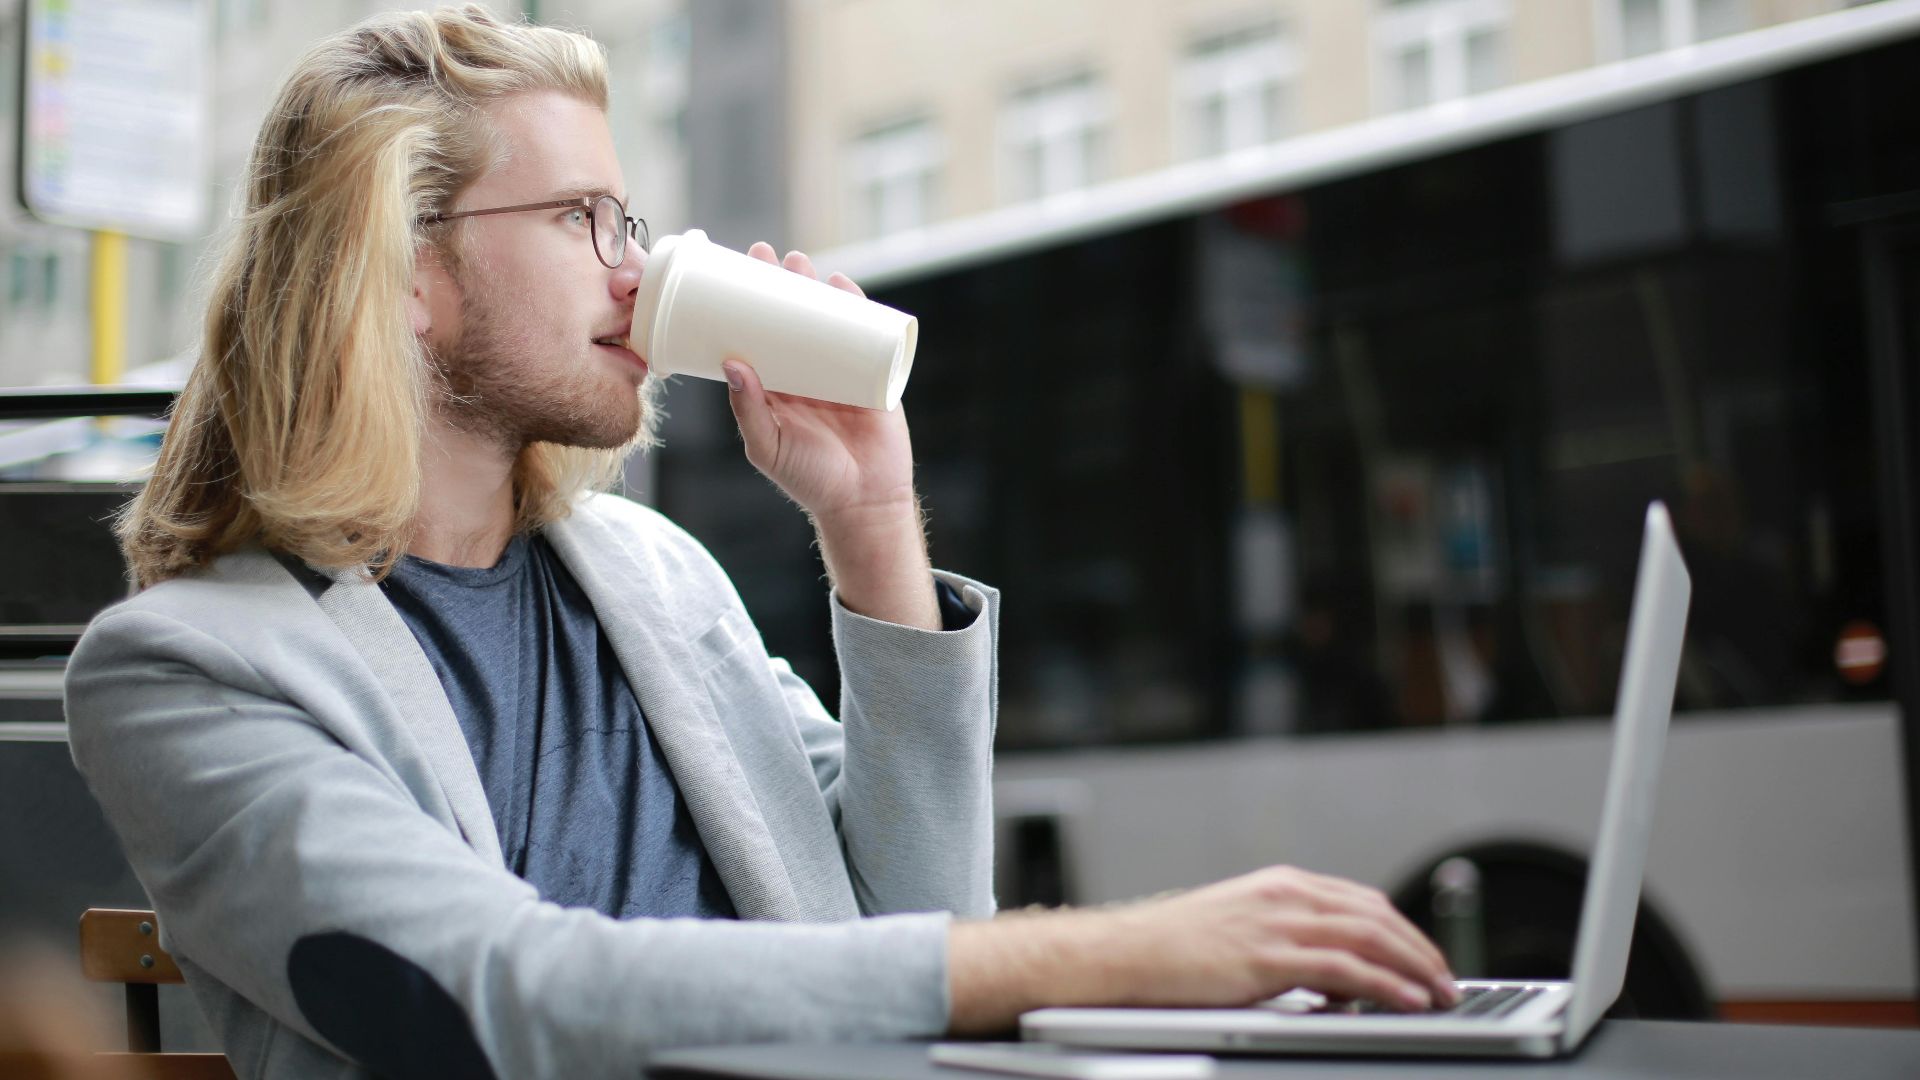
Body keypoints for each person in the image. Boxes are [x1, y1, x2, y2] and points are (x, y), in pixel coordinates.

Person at [62, 7, 1458, 1077]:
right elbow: (497, 992)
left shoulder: (658, 580)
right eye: (583, 217)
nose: (638, 265)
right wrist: (1117, 954)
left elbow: (915, 920)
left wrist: (866, 523)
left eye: (634, 217)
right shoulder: (184, 668)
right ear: (412, 270)